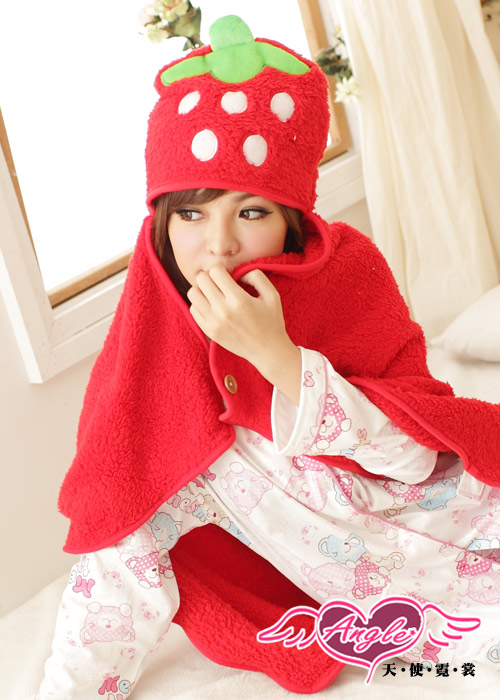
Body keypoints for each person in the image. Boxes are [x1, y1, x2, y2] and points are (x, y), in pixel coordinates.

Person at [39, 15, 500, 699]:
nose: (219, 244)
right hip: (380, 599)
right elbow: (119, 535)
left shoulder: (348, 274)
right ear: (162, 221)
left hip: (457, 517)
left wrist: (278, 357)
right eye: (191, 213)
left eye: (251, 212)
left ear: (290, 219)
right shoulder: (151, 340)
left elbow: (415, 457)